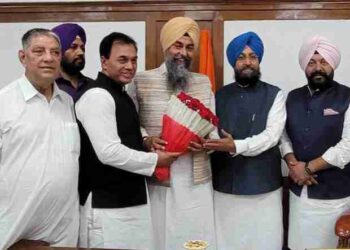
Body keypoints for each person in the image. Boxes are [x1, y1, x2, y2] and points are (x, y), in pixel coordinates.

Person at [75, 32, 179, 249]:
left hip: (130, 201)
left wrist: (146, 139)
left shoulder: (120, 94)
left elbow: (127, 129)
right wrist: (155, 161)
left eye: (134, 60)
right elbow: (109, 152)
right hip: (107, 207)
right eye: (122, 59)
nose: (130, 66)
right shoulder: (98, 96)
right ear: (104, 61)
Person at [128, 16, 217, 250]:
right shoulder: (141, 80)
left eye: (189, 48)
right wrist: (147, 140)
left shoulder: (203, 82)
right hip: (158, 176)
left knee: (196, 237)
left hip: (195, 177)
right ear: (166, 46)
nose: (183, 53)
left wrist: (206, 142)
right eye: (178, 45)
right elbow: (130, 123)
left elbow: (213, 129)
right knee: (159, 238)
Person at [203, 31, 286, 250]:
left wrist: (235, 146)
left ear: (259, 60)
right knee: (227, 242)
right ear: (233, 62)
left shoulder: (275, 95)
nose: (247, 62)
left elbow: (271, 136)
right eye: (241, 57)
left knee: (266, 242)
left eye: (252, 56)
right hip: (226, 189)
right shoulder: (217, 96)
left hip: (265, 189)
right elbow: (210, 134)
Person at [0, 28, 79, 248]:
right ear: (22, 57)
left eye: (55, 52)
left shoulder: (67, 103)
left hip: (64, 231)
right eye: (39, 51)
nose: (48, 58)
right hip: (13, 230)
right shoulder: (4, 103)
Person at [280, 35, 350, 250]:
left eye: (323, 62)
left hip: (335, 196)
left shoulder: (346, 96)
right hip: (298, 195)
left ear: (332, 64)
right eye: (312, 62)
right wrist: (293, 164)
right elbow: (283, 136)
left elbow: (347, 147)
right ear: (305, 67)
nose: (318, 68)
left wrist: (308, 168)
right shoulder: (292, 97)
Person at [52, 23, 90, 102]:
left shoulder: (93, 86)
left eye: (82, 48)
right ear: (58, 51)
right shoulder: (49, 87)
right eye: (73, 47)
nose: (81, 52)